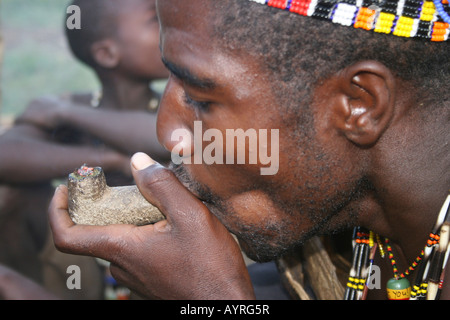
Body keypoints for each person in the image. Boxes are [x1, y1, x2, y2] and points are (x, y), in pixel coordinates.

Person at [48, 0, 449, 300]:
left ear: (359, 104)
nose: (168, 134)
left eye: (200, 98)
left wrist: (215, 300)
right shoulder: (328, 230)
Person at [0, 0, 168, 299]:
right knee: (12, 192)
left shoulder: (175, 104)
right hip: (81, 270)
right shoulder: (74, 104)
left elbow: (165, 136)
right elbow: (5, 153)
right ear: (107, 53)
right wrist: (109, 160)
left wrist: (67, 113)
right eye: (153, 20)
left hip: (160, 270)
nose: (170, 24)